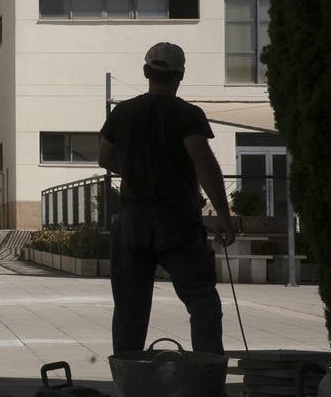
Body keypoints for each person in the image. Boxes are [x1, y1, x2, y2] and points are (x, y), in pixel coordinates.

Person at [98, 42, 236, 356]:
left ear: (146, 72)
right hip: (177, 220)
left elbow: (104, 157)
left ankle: (130, 388)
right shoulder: (186, 115)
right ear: (180, 75)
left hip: (132, 221)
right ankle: (207, 381)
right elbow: (203, 160)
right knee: (201, 301)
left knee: (129, 311)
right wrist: (224, 217)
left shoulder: (123, 113)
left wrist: (133, 173)